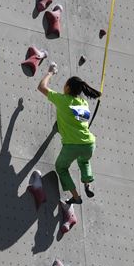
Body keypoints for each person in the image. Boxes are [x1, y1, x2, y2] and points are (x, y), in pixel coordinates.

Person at [37, 63, 101, 204]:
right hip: (89, 144)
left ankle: (76, 198)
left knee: (61, 167)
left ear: (67, 88)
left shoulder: (63, 100)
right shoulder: (83, 104)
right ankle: (87, 183)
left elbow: (41, 87)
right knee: (84, 161)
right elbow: (81, 119)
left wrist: (50, 73)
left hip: (72, 145)